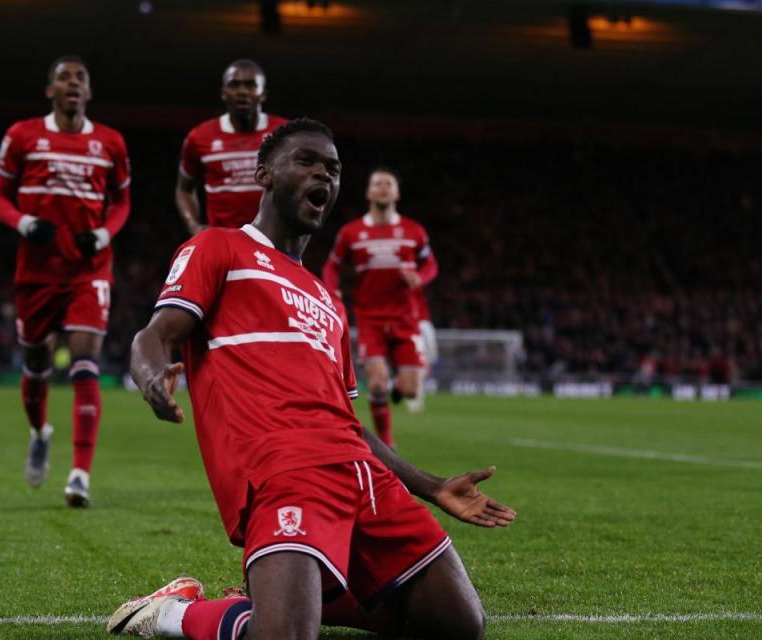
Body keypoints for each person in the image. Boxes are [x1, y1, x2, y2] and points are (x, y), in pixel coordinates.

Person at [110, 119, 515, 639]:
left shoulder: (326, 299)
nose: (323, 173)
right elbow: (155, 335)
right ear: (264, 175)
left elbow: (350, 422)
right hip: (285, 469)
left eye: (333, 168)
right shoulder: (219, 249)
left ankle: (285, 596)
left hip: (365, 479)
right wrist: (149, 379)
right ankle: (175, 613)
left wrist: (433, 487)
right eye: (306, 160)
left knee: (459, 626)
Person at [0, 55, 131, 508]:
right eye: (63, 78)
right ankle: (39, 432)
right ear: (50, 90)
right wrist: (25, 223)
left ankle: (79, 475)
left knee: (86, 360)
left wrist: (105, 233)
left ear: (89, 92)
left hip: (89, 269)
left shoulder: (110, 142)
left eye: (81, 78)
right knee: (35, 364)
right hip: (36, 270)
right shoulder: (22, 135)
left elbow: (123, 202)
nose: (73, 84)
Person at [321, 168, 438, 448]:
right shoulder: (352, 232)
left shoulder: (413, 231)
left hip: (405, 318)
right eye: (377, 184)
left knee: (410, 391)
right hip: (370, 318)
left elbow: (431, 265)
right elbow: (332, 266)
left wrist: (419, 278)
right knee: (375, 384)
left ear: (396, 193)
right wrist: (332, 288)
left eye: (388, 184)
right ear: (369, 192)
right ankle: (387, 445)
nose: (383, 188)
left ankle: (399, 389)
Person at [175, 59, 286, 235]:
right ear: (223, 93)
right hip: (222, 240)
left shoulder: (284, 134)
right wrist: (193, 225)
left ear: (263, 93)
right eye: (234, 85)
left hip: (273, 240)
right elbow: (184, 189)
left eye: (250, 85)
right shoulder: (199, 137)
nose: (242, 92)